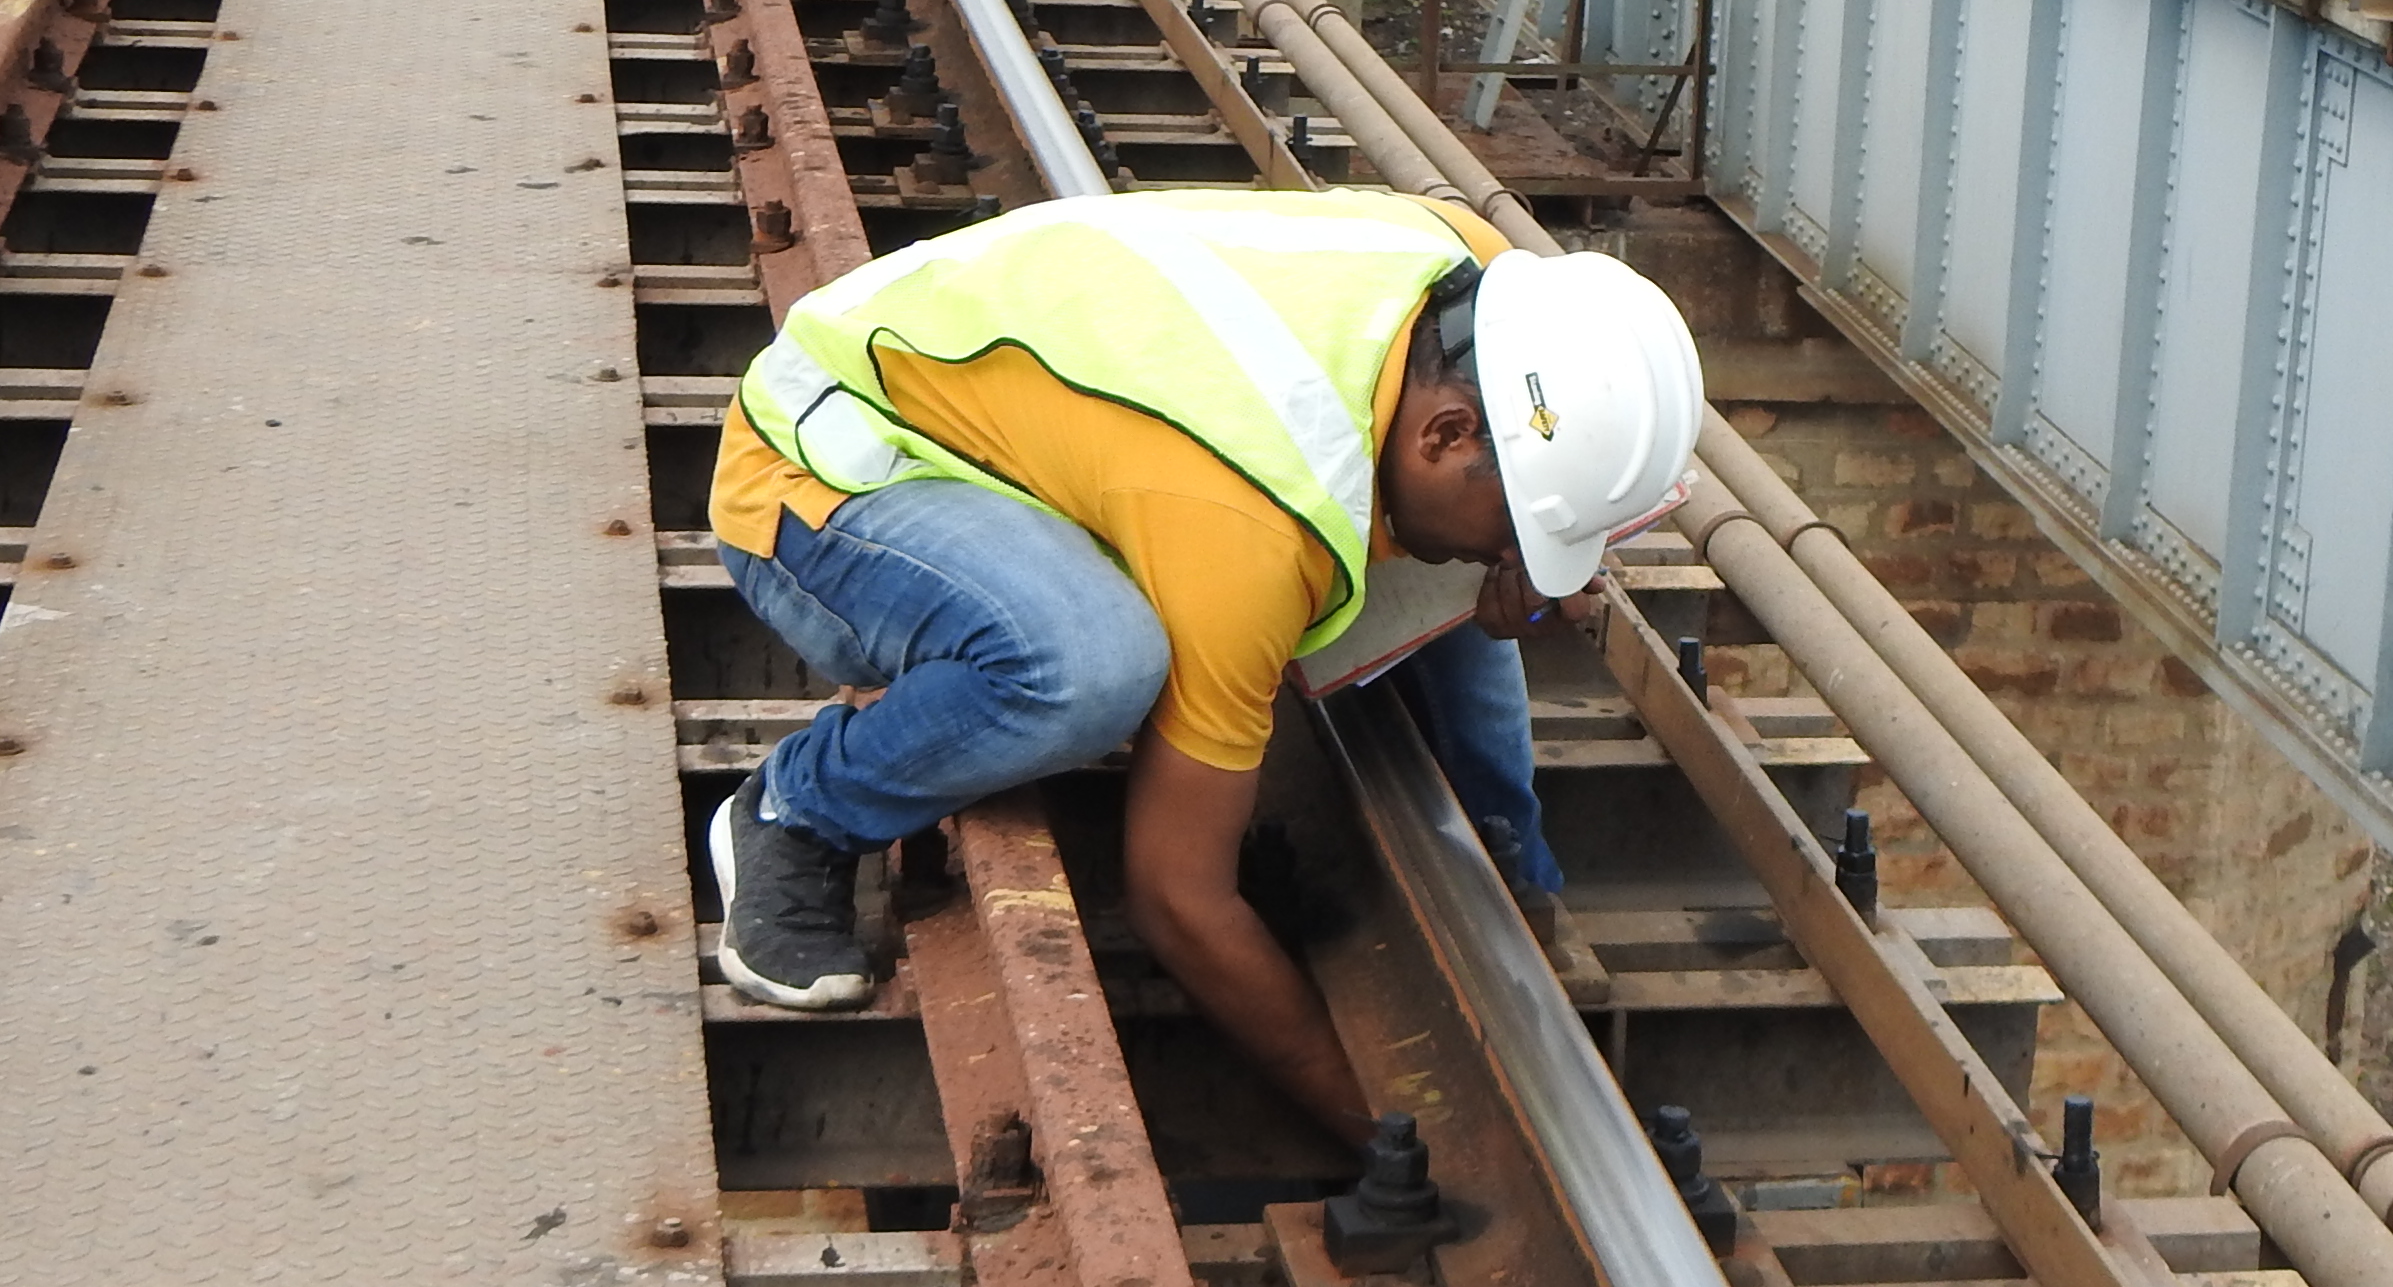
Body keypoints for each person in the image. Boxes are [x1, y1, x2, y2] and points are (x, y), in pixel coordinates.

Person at [705, 188, 1707, 1150]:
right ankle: (797, 812)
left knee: (1451, 597)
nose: (1520, 558)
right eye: (1523, 524)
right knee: (1090, 665)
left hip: (1001, 373)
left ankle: (1517, 896)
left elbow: (1498, 514)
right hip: (833, 467)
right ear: (1444, 435)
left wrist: (1535, 564)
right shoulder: (1246, 534)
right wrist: (1390, 1134)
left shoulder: (1481, 277)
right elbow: (1180, 900)